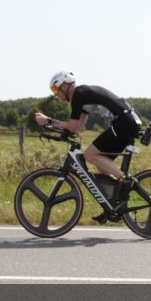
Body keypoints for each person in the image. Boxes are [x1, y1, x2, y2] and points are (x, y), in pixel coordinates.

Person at [34, 71, 140, 206]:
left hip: (124, 122)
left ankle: (126, 181)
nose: (55, 93)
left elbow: (72, 126)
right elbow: (77, 128)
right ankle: (114, 207)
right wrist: (60, 130)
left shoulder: (78, 94)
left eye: (55, 89)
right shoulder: (83, 96)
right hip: (127, 122)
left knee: (90, 155)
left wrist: (48, 121)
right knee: (102, 166)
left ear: (64, 85)